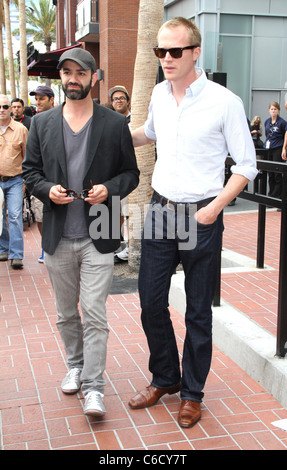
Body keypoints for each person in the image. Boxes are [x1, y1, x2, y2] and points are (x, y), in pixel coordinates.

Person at [128, 17, 258, 428]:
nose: (165, 58)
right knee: (150, 303)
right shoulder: (158, 95)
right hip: (161, 211)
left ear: (195, 52)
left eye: (174, 51)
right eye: (160, 51)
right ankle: (165, 377)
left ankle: (192, 393)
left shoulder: (225, 102)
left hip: (202, 215)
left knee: (198, 312)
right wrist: (102, 130)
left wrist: (214, 208)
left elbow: (246, 166)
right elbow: (147, 134)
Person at [22, 48, 139, 417]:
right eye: (66, 72)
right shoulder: (41, 123)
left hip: (99, 232)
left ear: (94, 77)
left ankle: (94, 387)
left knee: (94, 312)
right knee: (65, 313)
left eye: (80, 72)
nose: (73, 78)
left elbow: (131, 174)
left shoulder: (113, 124)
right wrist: (46, 190)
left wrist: (109, 188)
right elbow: (30, 172)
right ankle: (74, 365)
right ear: (62, 78)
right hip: (58, 233)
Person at [0, 95, 28, 269]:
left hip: (15, 180)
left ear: (10, 108)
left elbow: (28, 156)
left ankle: (16, 255)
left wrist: (26, 181)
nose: (1, 109)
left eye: (4, 106)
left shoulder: (21, 129)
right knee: (0, 217)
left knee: (16, 216)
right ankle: (3, 249)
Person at [29, 85, 55, 262]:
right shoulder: (35, 121)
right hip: (40, 179)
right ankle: (45, 245)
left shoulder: (61, 118)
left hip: (58, 179)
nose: (38, 102)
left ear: (51, 99)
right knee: (39, 214)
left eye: (42, 98)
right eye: (36, 99)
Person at [109, 85, 131, 261]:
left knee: (129, 211)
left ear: (128, 100)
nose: (118, 101)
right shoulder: (111, 122)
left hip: (131, 175)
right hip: (114, 176)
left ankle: (131, 247)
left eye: (121, 98)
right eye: (115, 99)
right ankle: (118, 243)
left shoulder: (135, 119)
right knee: (116, 211)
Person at [264, 102, 287, 199]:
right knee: (270, 172)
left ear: (278, 110)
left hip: (278, 148)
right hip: (269, 148)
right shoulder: (267, 121)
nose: (273, 111)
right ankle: (271, 193)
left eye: (275, 109)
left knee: (277, 172)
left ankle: (277, 194)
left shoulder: (282, 122)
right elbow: (266, 134)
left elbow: (285, 135)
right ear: (269, 110)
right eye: (272, 109)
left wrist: (284, 149)